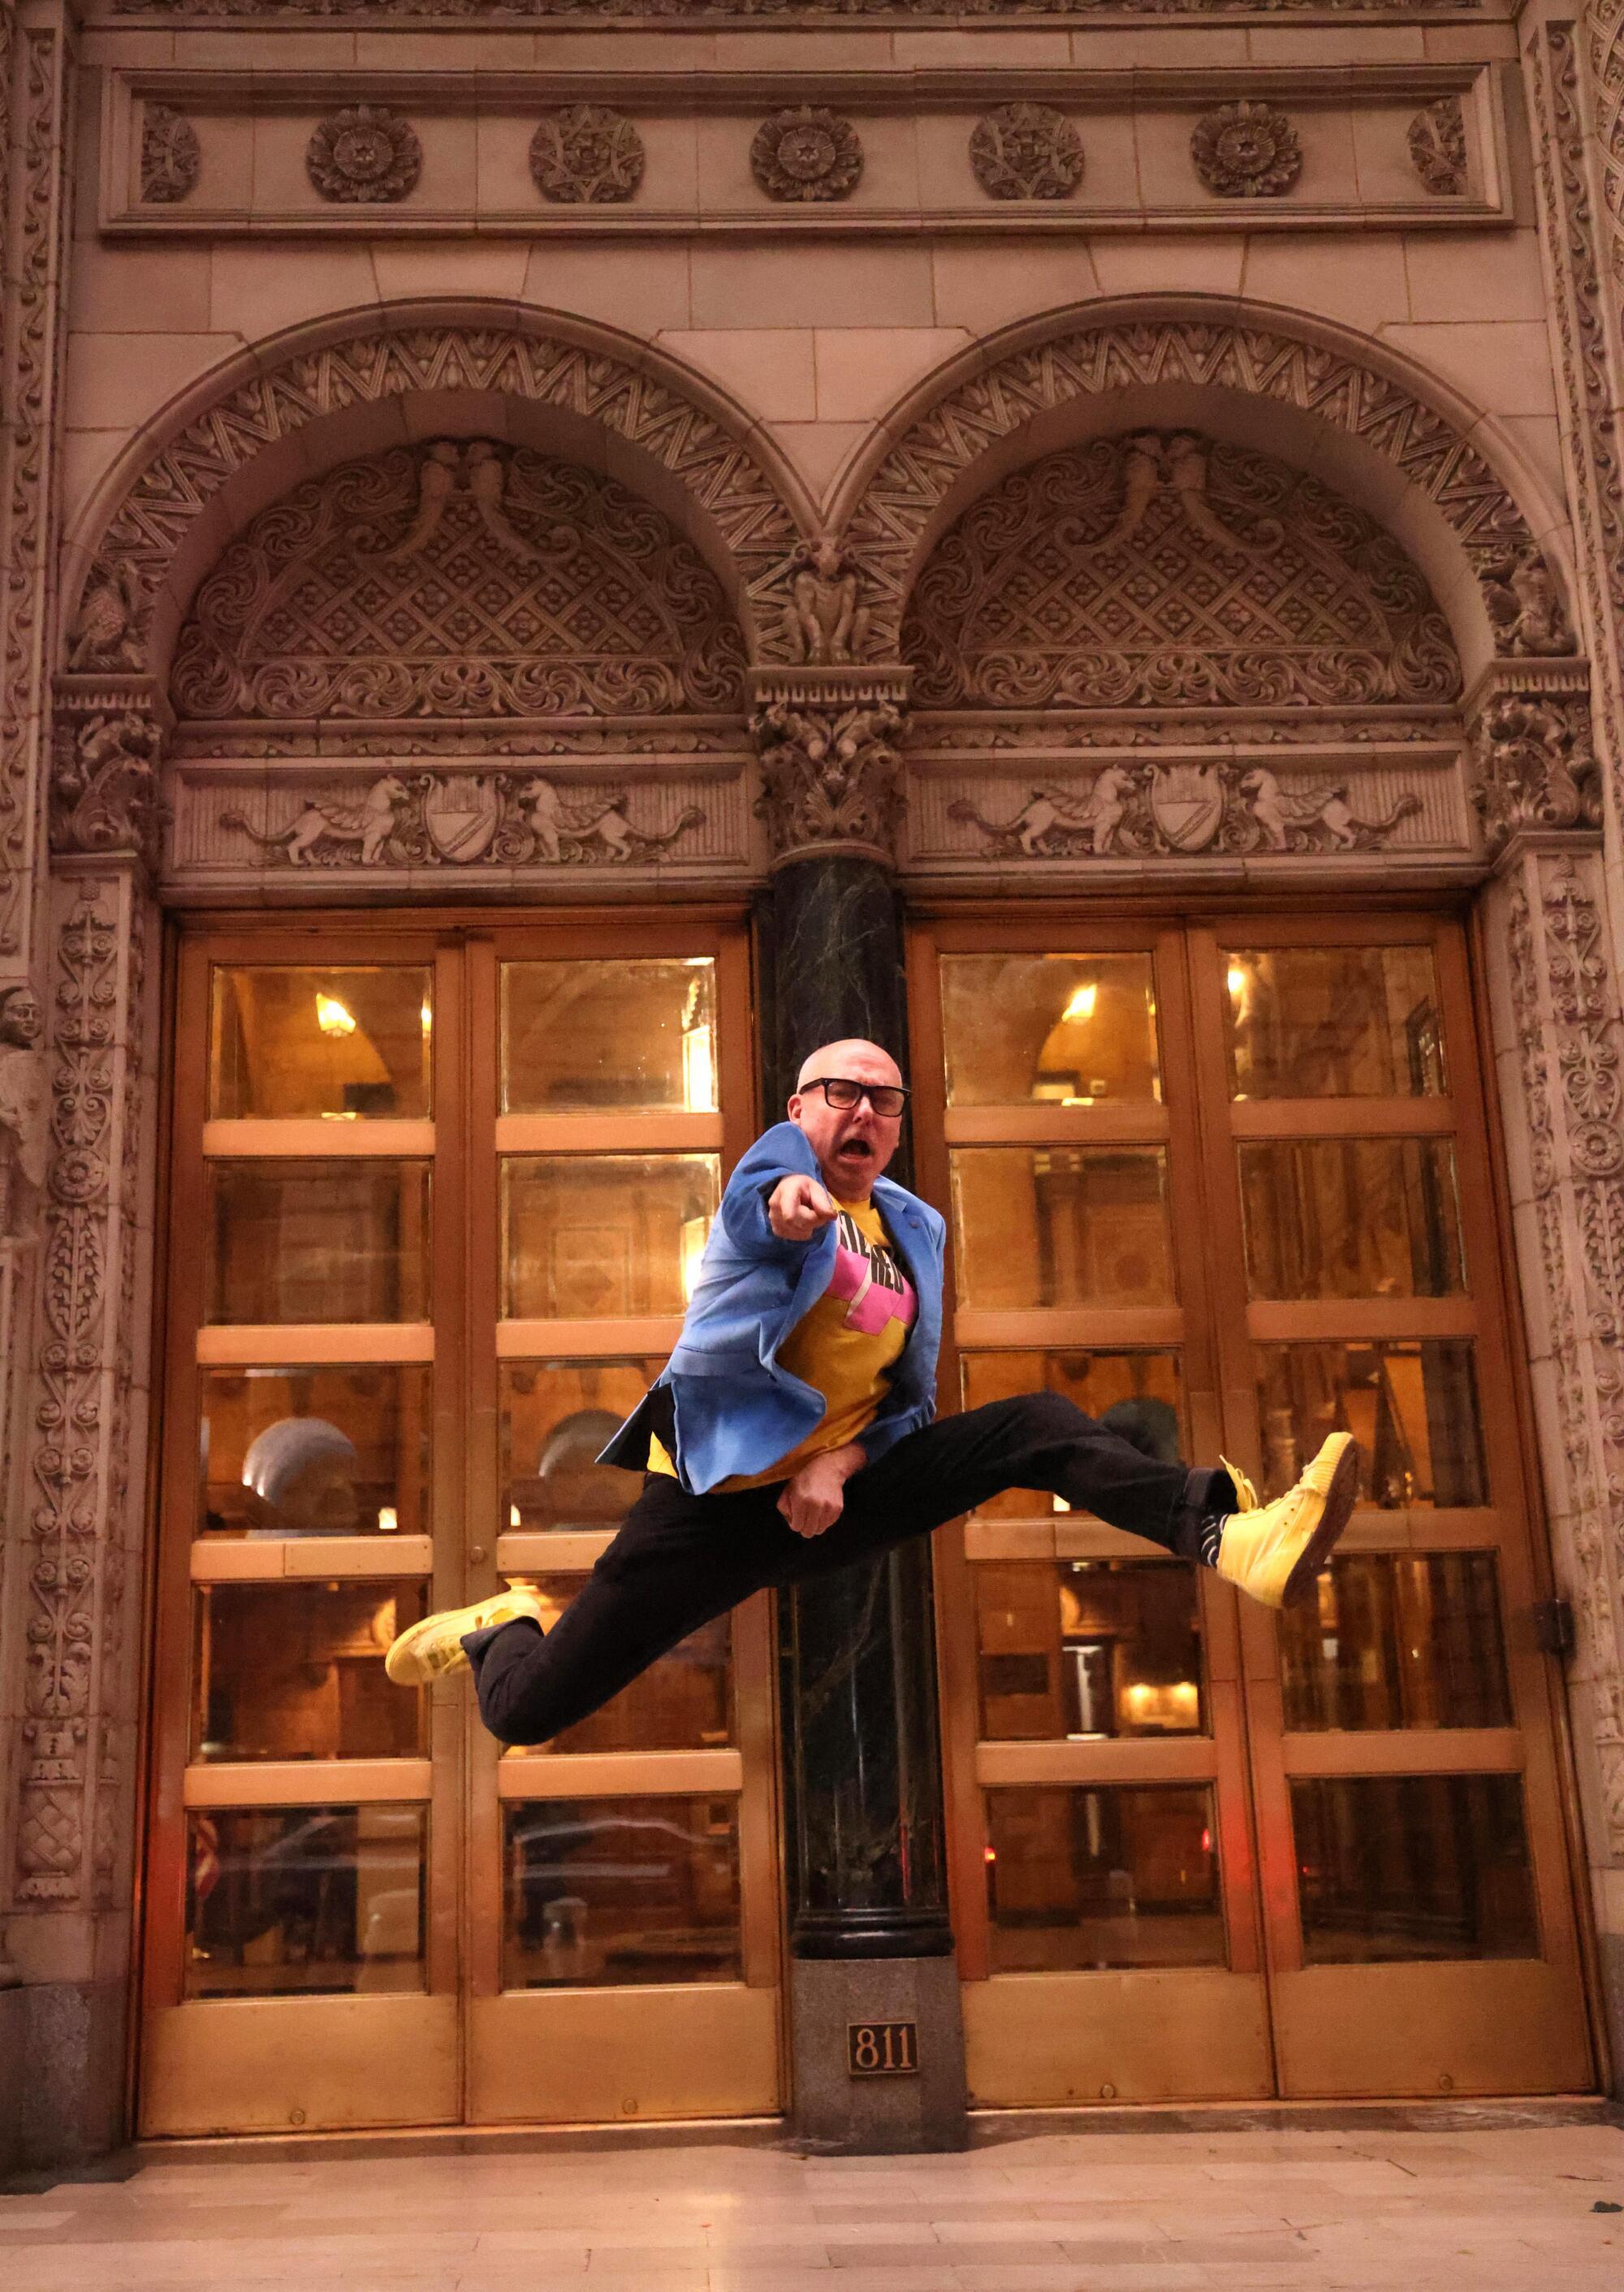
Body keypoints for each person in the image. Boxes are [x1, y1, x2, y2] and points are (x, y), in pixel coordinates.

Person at [386, 1040, 1361, 1743]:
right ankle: (497, 1623)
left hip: (834, 1492)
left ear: (897, 1125)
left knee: (1035, 1422)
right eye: (839, 1093)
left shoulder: (914, 1232)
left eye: (883, 1100)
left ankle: (1225, 1533)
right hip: (710, 1505)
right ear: (800, 1107)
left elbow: (908, 1406)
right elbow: (758, 1200)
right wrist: (789, 1202)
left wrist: (838, 1463)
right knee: (526, 1712)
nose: (861, 1113)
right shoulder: (770, 1186)